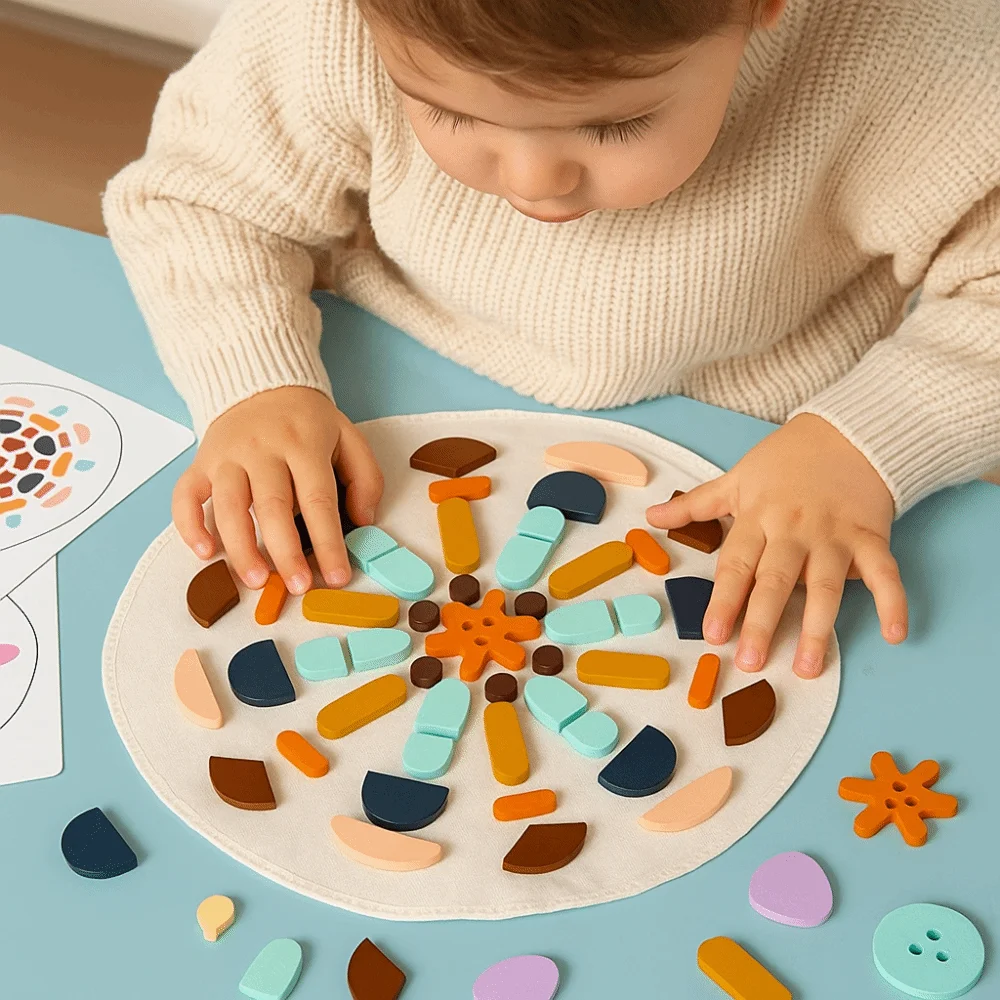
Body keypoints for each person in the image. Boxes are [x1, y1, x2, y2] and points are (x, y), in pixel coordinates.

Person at [104, 0, 1000, 679]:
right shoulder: (338, 23)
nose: (535, 180)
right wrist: (257, 384)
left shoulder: (929, 55)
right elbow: (201, 196)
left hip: (755, 448)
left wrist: (864, 444)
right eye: (446, 111)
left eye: (614, 125)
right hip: (390, 381)